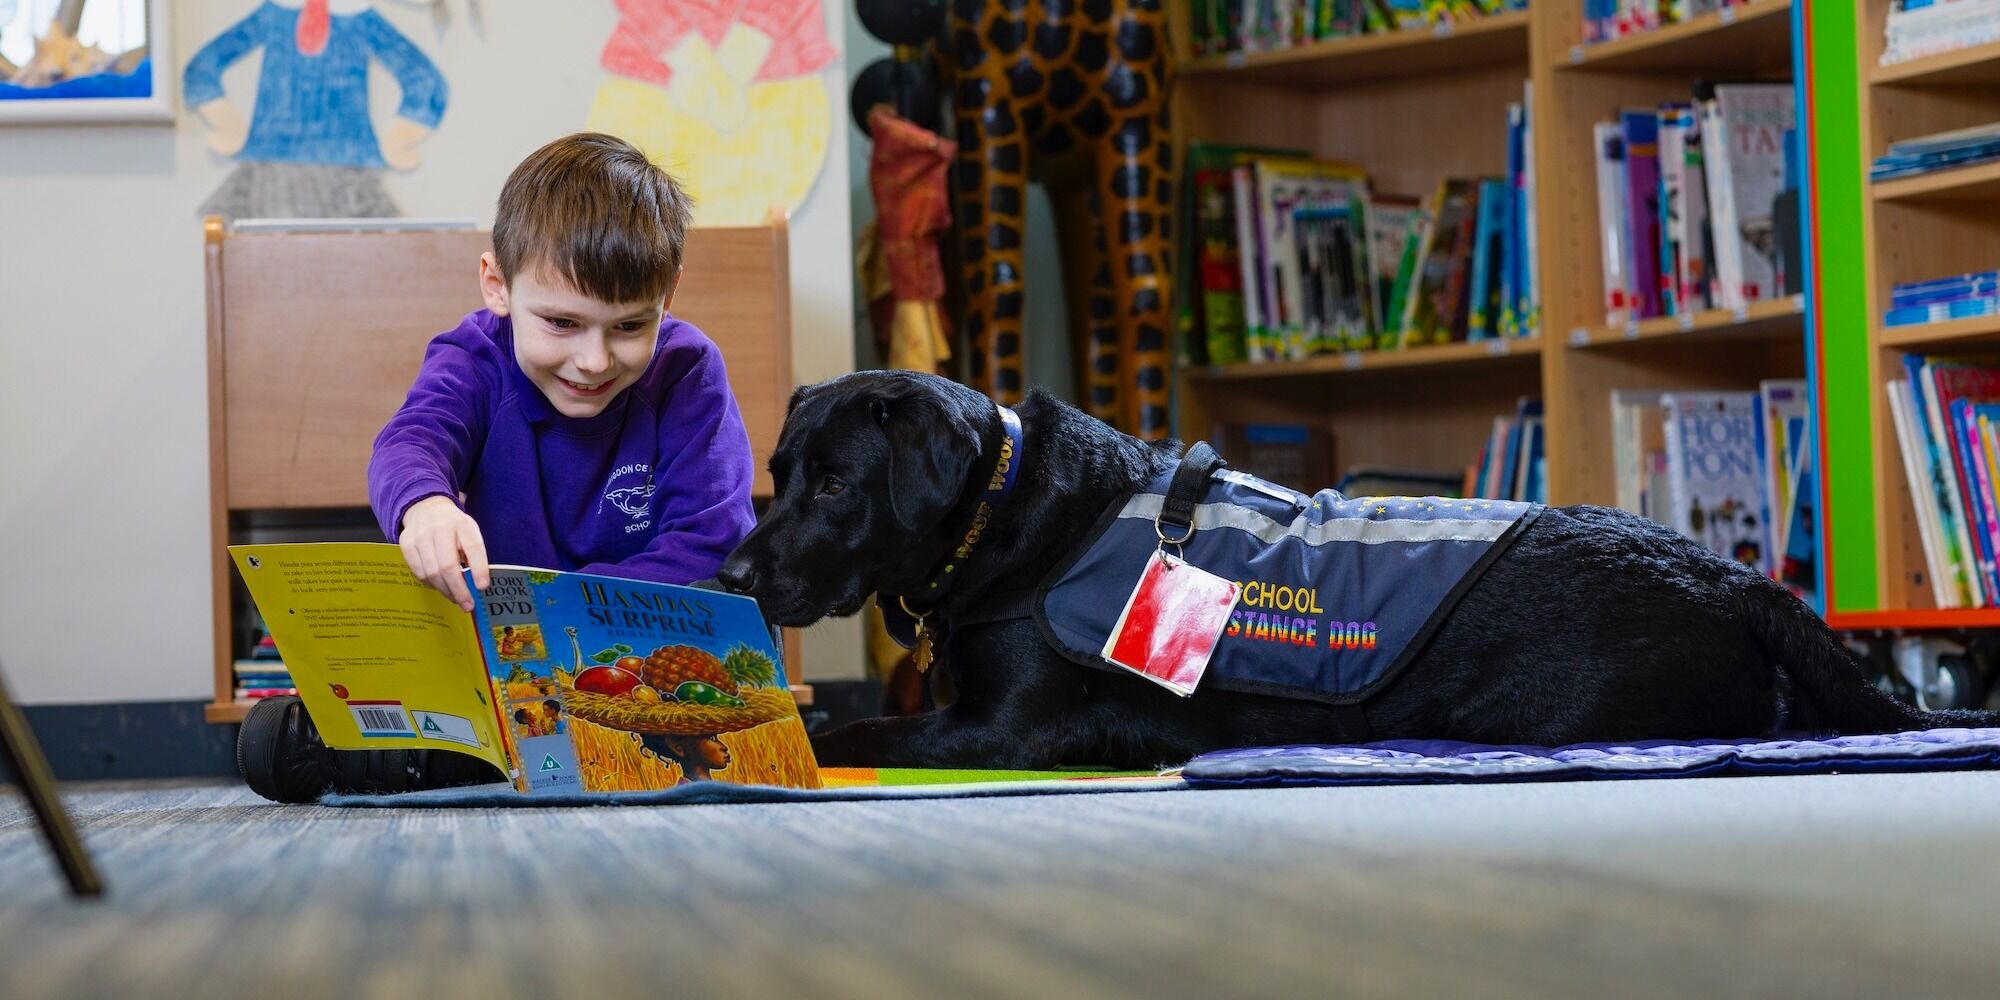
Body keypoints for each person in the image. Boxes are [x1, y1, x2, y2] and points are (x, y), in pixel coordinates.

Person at [237, 132, 759, 803]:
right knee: (301, 727)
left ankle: (469, 761)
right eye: (562, 324)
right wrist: (425, 506)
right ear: (497, 285)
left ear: (669, 295)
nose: (595, 361)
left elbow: (710, 540)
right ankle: (448, 751)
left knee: (727, 615)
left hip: (632, 652)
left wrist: (558, 609)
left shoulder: (689, 369)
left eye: (630, 327)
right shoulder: (474, 357)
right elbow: (411, 442)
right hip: (494, 653)